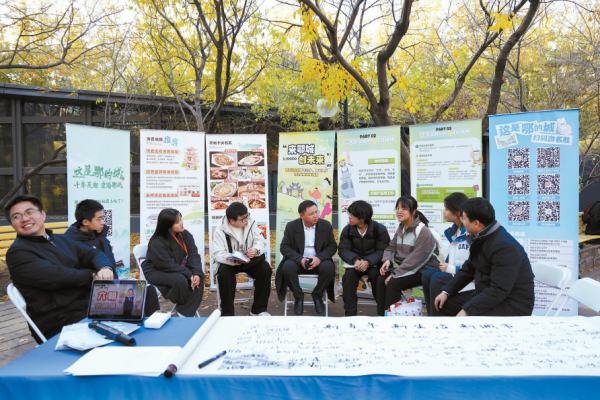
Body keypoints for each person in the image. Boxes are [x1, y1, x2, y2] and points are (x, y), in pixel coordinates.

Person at [5, 195, 116, 343]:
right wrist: (93, 275)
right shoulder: (17, 253)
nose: (24, 219)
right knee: (121, 326)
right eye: (16, 217)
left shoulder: (61, 240)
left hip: (87, 306)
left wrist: (105, 268)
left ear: (43, 214)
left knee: (140, 301)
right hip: (57, 319)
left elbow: (92, 253)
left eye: (29, 212)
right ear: (13, 224)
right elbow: (57, 276)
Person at [434, 197, 535, 316]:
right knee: (443, 305)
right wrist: (446, 292)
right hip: (487, 293)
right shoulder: (481, 238)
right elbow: (468, 270)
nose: (462, 221)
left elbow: (499, 290)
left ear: (476, 224)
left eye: (464, 218)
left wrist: (467, 310)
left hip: (513, 303)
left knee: (466, 314)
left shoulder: (505, 247)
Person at [64, 199, 160, 316]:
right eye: (99, 219)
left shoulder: (99, 236)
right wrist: (95, 275)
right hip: (93, 291)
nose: (103, 222)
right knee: (143, 294)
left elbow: (110, 261)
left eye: (103, 218)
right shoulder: (70, 242)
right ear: (85, 222)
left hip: (112, 284)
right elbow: (71, 271)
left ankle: (153, 323)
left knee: (148, 290)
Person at [377, 196, 440, 316]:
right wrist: (387, 260)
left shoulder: (423, 231)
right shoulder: (401, 228)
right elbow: (390, 248)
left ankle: (394, 318)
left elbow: (416, 260)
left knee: (393, 283)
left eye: (404, 209)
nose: (399, 211)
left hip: (424, 270)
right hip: (408, 268)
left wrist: (395, 274)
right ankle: (382, 316)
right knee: (381, 279)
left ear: (413, 211)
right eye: (397, 208)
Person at [276, 200, 337, 315]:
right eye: (311, 214)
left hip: (319, 260)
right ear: (301, 216)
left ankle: (317, 295)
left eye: (316, 212)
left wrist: (319, 258)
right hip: (298, 260)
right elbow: (284, 247)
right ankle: (298, 297)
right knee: (287, 267)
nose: (315, 216)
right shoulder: (292, 226)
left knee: (329, 268)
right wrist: (299, 259)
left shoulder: (325, 225)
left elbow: (332, 246)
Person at [141, 208, 204, 317]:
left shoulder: (185, 235)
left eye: (181, 219)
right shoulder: (158, 241)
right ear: (168, 226)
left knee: (200, 276)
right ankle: (186, 310)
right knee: (181, 280)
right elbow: (166, 265)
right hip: (156, 270)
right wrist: (189, 274)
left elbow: (193, 255)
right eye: (177, 222)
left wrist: (196, 273)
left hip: (176, 268)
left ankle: (184, 311)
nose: (181, 223)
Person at [212, 202, 272, 316]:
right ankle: (228, 314)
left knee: (265, 269)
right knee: (224, 273)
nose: (246, 220)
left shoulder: (251, 223)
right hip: (229, 263)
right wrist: (234, 258)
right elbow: (217, 253)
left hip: (249, 260)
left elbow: (260, 240)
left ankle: (258, 310)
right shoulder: (220, 230)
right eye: (243, 218)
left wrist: (255, 250)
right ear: (232, 221)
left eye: (247, 216)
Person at [421, 192, 474, 316]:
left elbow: (474, 267)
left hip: (468, 279)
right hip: (456, 273)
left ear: (458, 211)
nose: (444, 212)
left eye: (446, 209)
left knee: (437, 278)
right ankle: (431, 315)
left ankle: (438, 318)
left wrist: (451, 268)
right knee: (427, 274)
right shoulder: (454, 231)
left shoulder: (471, 233)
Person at [339, 200, 391, 316]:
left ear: (362, 218)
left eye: (352, 215)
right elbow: (343, 249)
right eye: (349, 214)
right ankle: (350, 315)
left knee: (377, 277)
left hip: (374, 264)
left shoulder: (379, 229)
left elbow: (383, 250)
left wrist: (368, 261)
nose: (349, 217)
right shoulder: (348, 229)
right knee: (348, 278)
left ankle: (382, 313)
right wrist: (355, 260)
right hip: (355, 264)